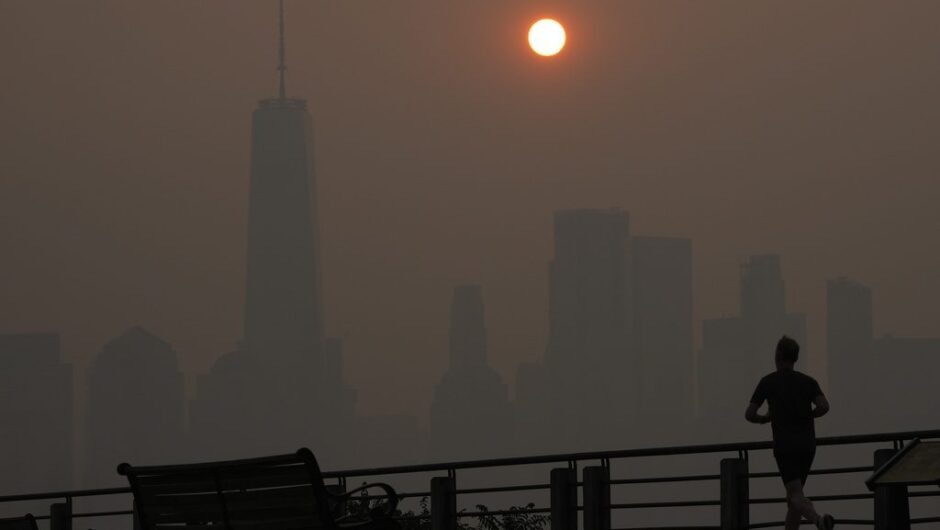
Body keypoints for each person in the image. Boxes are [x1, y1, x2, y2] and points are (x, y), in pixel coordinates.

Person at [746, 335, 835, 530]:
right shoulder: (808, 381)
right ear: (795, 357)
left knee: (795, 495)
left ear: (778, 354)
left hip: (785, 446)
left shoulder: (768, 382)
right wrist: (806, 415)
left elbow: (750, 414)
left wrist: (766, 418)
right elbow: (824, 406)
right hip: (808, 445)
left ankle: (818, 520)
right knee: (794, 497)